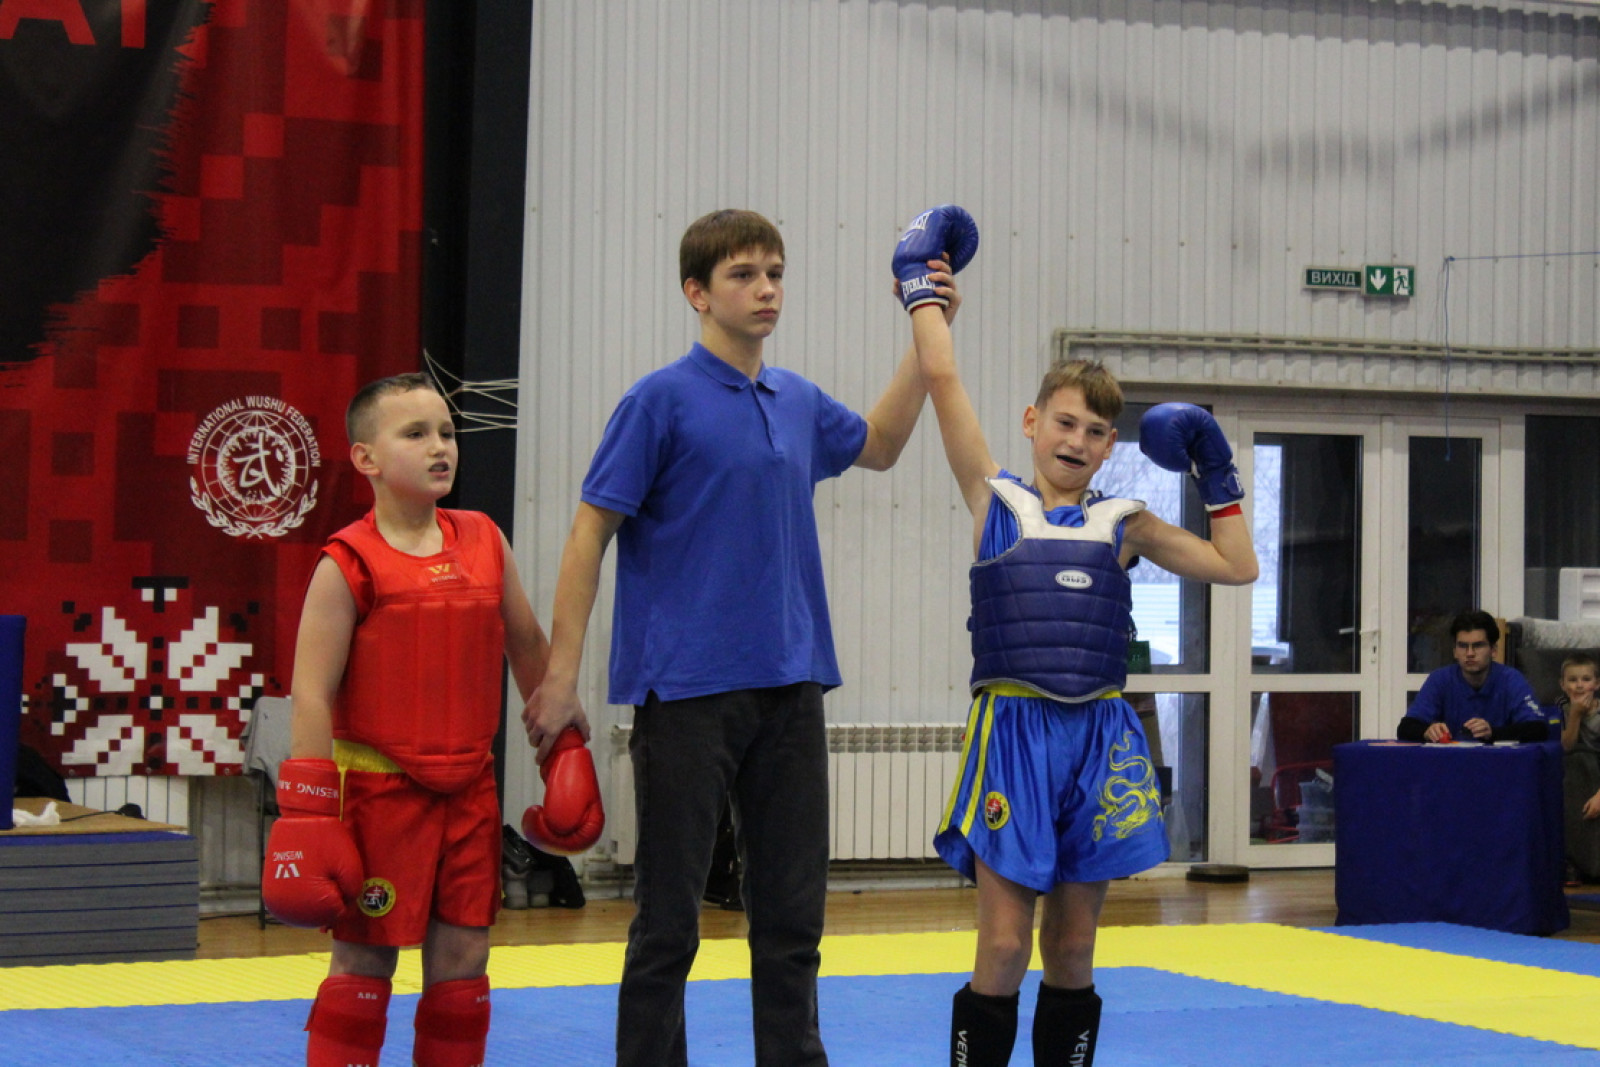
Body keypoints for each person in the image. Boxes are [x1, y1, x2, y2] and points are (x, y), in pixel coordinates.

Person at [521, 208, 963, 1067]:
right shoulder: (657, 401)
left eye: (775, 273)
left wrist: (927, 325)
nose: (766, 290)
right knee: (669, 922)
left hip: (793, 685)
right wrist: (561, 675)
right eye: (744, 275)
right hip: (686, 690)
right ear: (697, 292)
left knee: (793, 919)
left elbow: (880, 444)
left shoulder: (796, 400)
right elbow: (588, 532)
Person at [897, 206, 1258, 1067]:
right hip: (1013, 734)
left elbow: (1237, 565)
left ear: (1109, 447)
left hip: (1099, 734)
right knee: (1001, 943)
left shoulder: (1124, 522)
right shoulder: (995, 499)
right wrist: (921, 290)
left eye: (1097, 432)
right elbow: (942, 380)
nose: (1079, 441)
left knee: (1073, 945)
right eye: (1065, 423)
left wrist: (1219, 474)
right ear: (1032, 421)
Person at [265, 373, 579, 1067]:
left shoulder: (484, 539)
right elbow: (310, 692)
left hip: (470, 790)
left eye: (446, 432)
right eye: (416, 434)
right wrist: (307, 817)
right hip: (377, 795)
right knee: (364, 959)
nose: (440, 447)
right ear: (366, 458)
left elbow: (527, 645)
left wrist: (565, 745)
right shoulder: (347, 561)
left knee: (465, 957)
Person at [1396, 611, 1548, 744]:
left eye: (1478, 645)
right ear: (1455, 651)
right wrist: (1426, 731)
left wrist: (1493, 733)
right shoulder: (1440, 679)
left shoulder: (1511, 679)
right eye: (1463, 646)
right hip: (1451, 763)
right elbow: (1405, 727)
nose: (1469, 653)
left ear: (1493, 650)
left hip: (1499, 763)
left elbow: (1538, 729)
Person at [1557, 652, 1600, 882]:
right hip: (1577, 775)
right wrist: (1574, 714)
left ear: (1597, 684)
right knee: (1575, 760)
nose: (1580, 685)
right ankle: (1574, 862)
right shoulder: (1562, 710)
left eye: (1586, 679)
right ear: (1563, 685)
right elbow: (1566, 746)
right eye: (1573, 680)